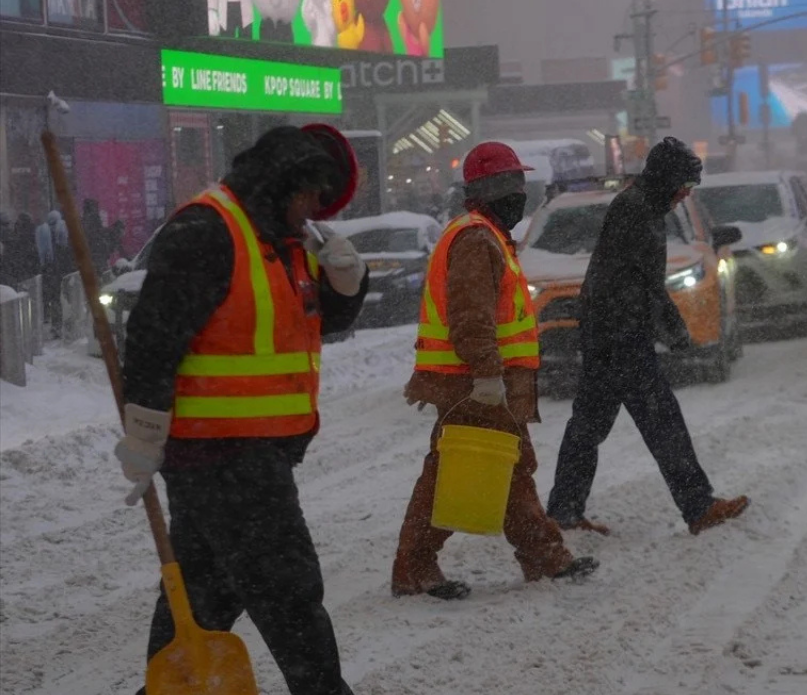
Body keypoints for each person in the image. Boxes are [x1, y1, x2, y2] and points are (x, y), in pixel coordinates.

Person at [113, 125, 367, 695]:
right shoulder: (207, 231)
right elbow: (153, 338)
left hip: (248, 454)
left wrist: (346, 282)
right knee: (290, 592)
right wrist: (146, 429)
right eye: (310, 195)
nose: (314, 209)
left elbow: (317, 322)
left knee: (205, 596)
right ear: (283, 183)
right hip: (224, 455)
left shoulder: (284, 239)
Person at [395, 141, 597, 600]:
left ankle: (541, 555)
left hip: (482, 382)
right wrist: (487, 374)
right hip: (474, 384)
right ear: (488, 190)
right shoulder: (475, 239)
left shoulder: (487, 235)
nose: (519, 195)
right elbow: (470, 316)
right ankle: (417, 567)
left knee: (507, 468)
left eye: (520, 184)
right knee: (457, 473)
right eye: (511, 185)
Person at [545, 137, 750, 536]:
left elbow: (633, 280)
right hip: (621, 335)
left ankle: (565, 510)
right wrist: (675, 332)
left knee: (588, 425)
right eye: (684, 184)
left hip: (608, 332)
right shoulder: (637, 211)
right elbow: (641, 282)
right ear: (666, 178)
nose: (686, 193)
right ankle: (698, 506)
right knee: (662, 421)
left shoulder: (641, 206)